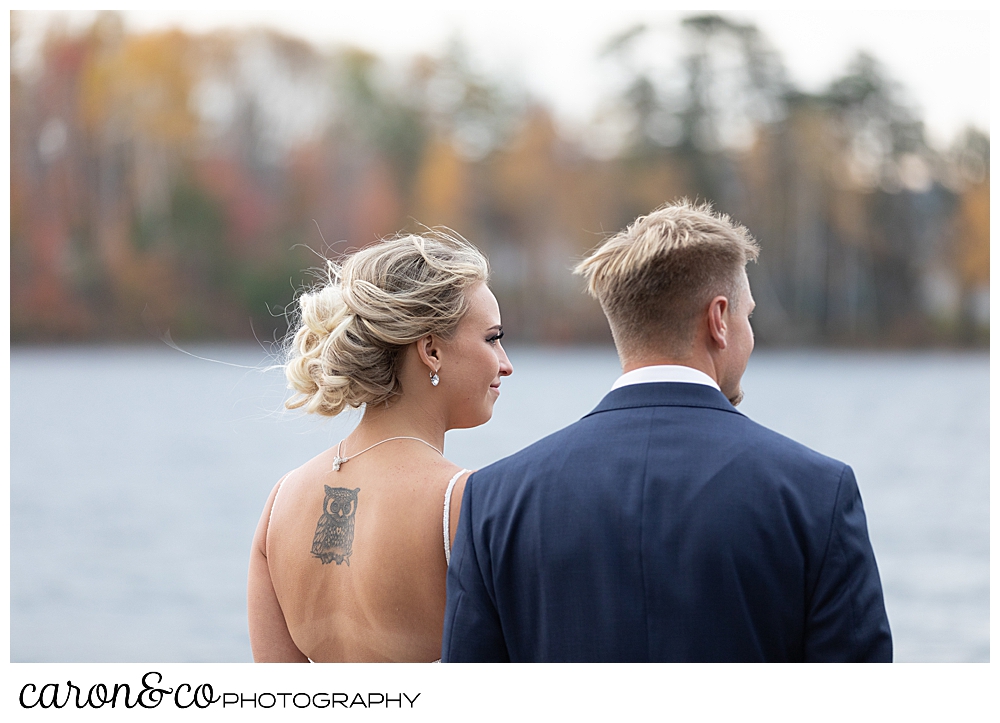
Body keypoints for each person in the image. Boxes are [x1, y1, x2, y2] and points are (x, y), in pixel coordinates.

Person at [442, 200, 892, 662]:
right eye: (748, 316)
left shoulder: (495, 500)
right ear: (719, 320)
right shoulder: (816, 492)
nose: (749, 334)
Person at [248, 231, 512, 662]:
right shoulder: (462, 504)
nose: (505, 363)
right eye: (492, 338)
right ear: (430, 350)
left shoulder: (282, 502)